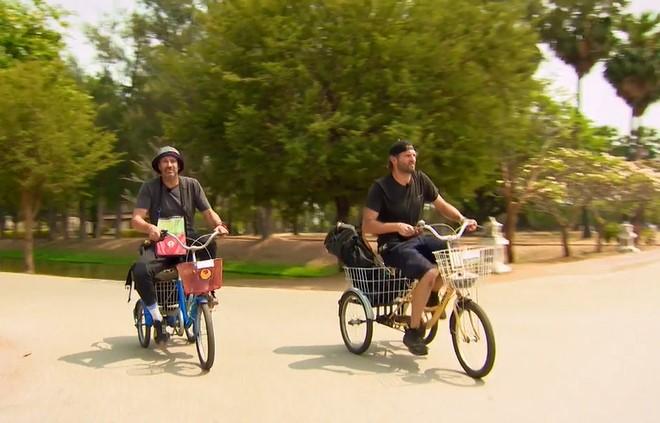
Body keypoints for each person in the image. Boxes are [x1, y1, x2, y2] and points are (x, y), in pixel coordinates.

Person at [361, 140, 477, 356]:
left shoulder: (420, 179)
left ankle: (431, 294)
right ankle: (413, 332)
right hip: (392, 245)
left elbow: (442, 205)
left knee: (453, 252)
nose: (412, 159)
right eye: (407, 156)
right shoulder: (380, 188)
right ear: (393, 160)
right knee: (429, 272)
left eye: (414, 155)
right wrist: (396, 226)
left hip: (417, 238)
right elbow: (368, 225)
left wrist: (462, 219)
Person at [131, 146, 229, 345]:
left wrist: (219, 225)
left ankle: (206, 292)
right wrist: (150, 228)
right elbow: (136, 219)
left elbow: (208, 212)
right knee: (140, 271)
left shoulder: (192, 185)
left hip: (187, 239)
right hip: (162, 242)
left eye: (173, 161)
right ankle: (157, 319)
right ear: (159, 166)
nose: (169, 165)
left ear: (179, 165)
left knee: (208, 244)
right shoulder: (149, 188)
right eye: (165, 161)